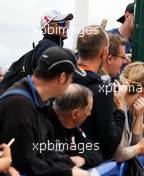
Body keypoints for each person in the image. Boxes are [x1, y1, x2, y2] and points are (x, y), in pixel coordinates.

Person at [0, 47, 90, 176]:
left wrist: (68, 162)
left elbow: (43, 150)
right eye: (71, 78)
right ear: (62, 77)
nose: (71, 83)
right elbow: (23, 162)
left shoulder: (35, 101)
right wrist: (68, 171)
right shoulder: (19, 105)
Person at [74, 25, 126, 160]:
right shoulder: (102, 90)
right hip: (88, 165)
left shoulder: (62, 80)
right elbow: (110, 145)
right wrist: (120, 110)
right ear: (104, 53)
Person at [113, 62, 144, 176]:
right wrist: (139, 148)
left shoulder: (132, 108)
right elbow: (117, 154)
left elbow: (135, 142)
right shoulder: (116, 106)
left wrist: (140, 116)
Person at [50, 83, 103, 168]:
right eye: (88, 110)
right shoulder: (42, 128)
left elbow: (96, 152)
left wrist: (82, 158)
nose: (89, 114)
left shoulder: (72, 127)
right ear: (75, 114)